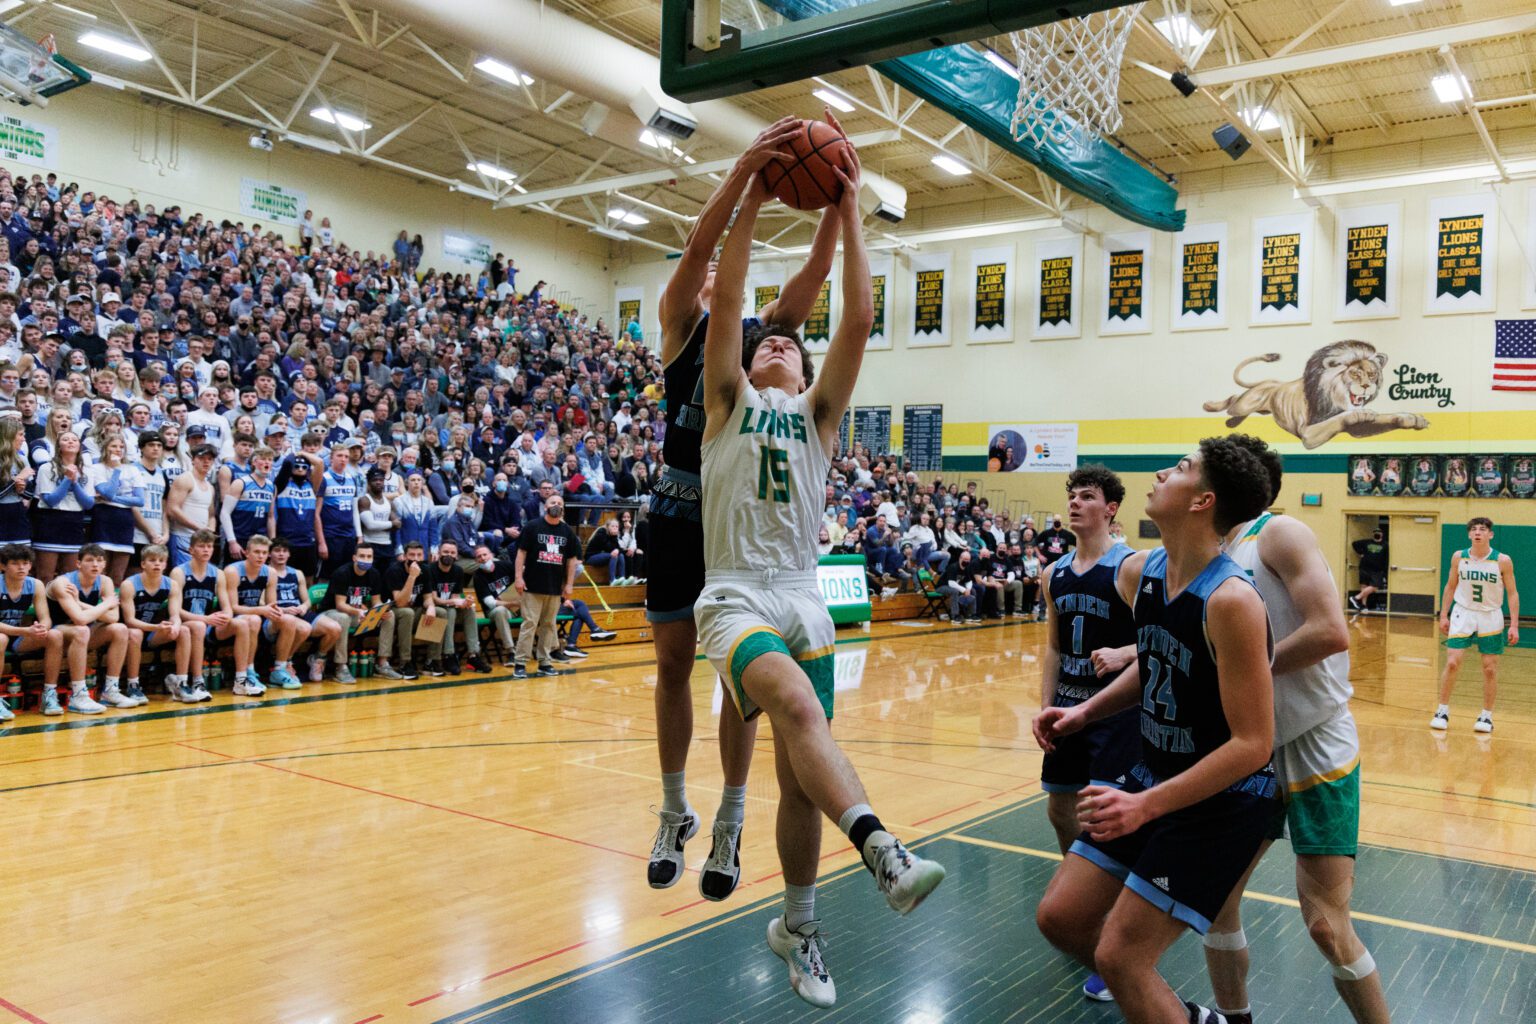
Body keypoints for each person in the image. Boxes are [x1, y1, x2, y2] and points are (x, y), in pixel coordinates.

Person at [697, 143, 943, 1009]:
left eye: (785, 347)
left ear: (801, 373)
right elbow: (727, 299)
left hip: (803, 594)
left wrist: (848, 208)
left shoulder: (818, 417)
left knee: (801, 780)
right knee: (799, 711)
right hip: (732, 593)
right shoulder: (726, 406)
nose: (772, 344)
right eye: (763, 341)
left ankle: (799, 928)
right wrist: (758, 192)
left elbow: (858, 322)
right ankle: (884, 851)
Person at [643, 115, 843, 898]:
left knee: (740, 684)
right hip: (677, 511)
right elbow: (701, 255)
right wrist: (747, 176)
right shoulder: (687, 325)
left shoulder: (772, 346)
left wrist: (836, 195)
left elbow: (817, 279)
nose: (704, 274)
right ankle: (672, 810)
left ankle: (728, 819)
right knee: (670, 666)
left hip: (744, 528)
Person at [1033, 437, 1277, 1024]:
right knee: (1061, 918)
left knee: (1121, 958)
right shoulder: (1144, 571)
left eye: (1183, 469)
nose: (1164, 471)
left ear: (1203, 501)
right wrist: (1083, 713)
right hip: (1152, 773)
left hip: (1222, 802)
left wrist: (1144, 806)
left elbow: (1254, 745)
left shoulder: (1231, 601)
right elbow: (1156, 663)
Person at [1202, 434, 1390, 1024]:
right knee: (1216, 904)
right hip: (1248, 746)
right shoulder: (1210, 556)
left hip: (1316, 742)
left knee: (1326, 926)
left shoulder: (1277, 534)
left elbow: (1331, 631)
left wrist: (1245, 668)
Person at [1031, 466, 1140, 1003]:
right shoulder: (1053, 573)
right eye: (1072, 495)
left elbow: (1170, 631)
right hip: (1068, 710)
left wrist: (1128, 652)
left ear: (1111, 508)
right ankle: (1086, 895)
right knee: (1059, 812)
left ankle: (1112, 921)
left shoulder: (1132, 566)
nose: (1076, 503)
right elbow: (1053, 647)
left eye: (1088, 496)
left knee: (1101, 819)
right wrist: (1046, 705)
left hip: (1115, 717)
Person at [1432, 517, 1519, 733]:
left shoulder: (1502, 560)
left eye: (1483, 529)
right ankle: (1442, 710)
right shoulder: (1458, 557)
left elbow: (1512, 593)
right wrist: (1444, 615)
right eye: (1474, 529)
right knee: (1452, 662)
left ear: (1491, 534)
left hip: (1490, 615)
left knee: (1489, 668)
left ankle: (1486, 716)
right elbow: (1450, 586)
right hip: (1463, 612)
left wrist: (1514, 624)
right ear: (1469, 535)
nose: (1478, 532)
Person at [47, 543, 135, 713]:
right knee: (82, 629)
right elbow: (79, 619)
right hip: (57, 633)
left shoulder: (105, 581)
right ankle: (78, 695)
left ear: (104, 564)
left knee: (120, 629)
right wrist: (106, 604)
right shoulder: (63, 582)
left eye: (99, 560)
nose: (95, 564)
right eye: (89, 560)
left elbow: (113, 617)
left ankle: (111, 691)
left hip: (84, 634)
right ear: (78, 563)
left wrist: (79, 602)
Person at [173, 529, 255, 698]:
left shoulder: (218, 574)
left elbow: (227, 608)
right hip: (185, 624)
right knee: (198, 626)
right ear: (191, 550)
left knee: (242, 623)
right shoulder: (179, 572)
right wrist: (204, 619)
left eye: (209, 546)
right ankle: (197, 681)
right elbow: (175, 611)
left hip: (208, 623)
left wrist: (225, 616)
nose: (206, 550)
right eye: (201, 546)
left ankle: (241, 680)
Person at [120, 544, 198, 704]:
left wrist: (175, 625)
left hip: (153, 634)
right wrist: (156, 627)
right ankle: (133, 685)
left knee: (183, 630)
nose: (157, 564)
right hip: (129, 633)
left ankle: (181, 683)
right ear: (143, 564)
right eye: (152, 560)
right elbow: (129, 621)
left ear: (166, 564)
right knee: (135, 632)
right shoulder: (129, 584)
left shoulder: (172, 585)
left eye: (161, 560)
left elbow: (175, 615)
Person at [512, 493, 579, 679]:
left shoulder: (567, 532)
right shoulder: (533, 526)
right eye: (552, 502)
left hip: (554, 587)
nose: (556, 505)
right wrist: (518, 577)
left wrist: (569, 585)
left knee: (549, 625)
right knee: (530, 624)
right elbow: (521, 553)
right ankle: (520, 662)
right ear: (545, 506)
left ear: (563, 508)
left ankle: (544, 661)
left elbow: (572, 560)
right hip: (532, 586)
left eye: (559, 503)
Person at [0, 543, 65, 719]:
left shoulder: (35, 585)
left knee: (55, 635)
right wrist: (25, 631)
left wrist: (42, 628)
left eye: (26, 563)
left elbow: (46, 617)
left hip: (20, 635)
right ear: (3, 566)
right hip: (8, 634)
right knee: (1, 638)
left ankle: (49, 695)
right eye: (15, 563)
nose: (22, 567)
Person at [266, 538, 339, 686]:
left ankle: (317, 659)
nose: (281, 554)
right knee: (303, 628)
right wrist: (285, 609)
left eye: (284, 551)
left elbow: (307, 600)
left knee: (335, 628)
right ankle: (286, 663)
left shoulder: (297, 573)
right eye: (277, 551)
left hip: (298, 611)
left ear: (289, 554)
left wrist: (304, 607)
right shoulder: (265, 572)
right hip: (280, 613)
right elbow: (264, 603)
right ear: (269, 554)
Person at [320, 539, 390, 685]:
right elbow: (340, 605)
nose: (366, 559)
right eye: (362, 556)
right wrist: (359, 612)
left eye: (369, 557)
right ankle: (341, 666)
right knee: (343, 617)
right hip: (331, 614)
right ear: (354, 558)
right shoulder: (342, 573)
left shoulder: (374, 574)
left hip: (357, 614)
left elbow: (376, 601)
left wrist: (380, 610)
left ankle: (383, 663)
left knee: (390, 616)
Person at [422, 539, 489, 676]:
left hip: (447, 608)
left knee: (469, 609)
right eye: (446, 552)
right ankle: (448, 655)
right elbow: (433, 599)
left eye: (452, 553)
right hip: (431, 610)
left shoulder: (458, 570)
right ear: (439, 553)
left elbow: (455, 597)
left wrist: (464, 602)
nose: (449, 555)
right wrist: (455, 602)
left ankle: (473, 655)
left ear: (457, 555)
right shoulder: (430, 569)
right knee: (450, 611)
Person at [376, 540, 428, 679]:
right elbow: (400, 603)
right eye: (412, 555)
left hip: (414, 609)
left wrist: (431, 608)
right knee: (407, 612)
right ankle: (405, 662)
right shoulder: (395, 570)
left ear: (423, 556)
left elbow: (428, 597)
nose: (416, 559)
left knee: (440, 612)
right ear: (405, 557)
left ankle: (432, 661)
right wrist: (412, 577)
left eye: (419, 555)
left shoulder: (426, 570)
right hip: (393, 611)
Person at [221, 445, 277, 561]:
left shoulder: (272, 486)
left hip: (260, 540)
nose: (267, 462)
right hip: (240, 539)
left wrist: (273, 542)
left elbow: (271, 517)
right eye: (263, 459)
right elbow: (224, 513)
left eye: (270, 460)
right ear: (254, 462)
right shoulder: (240, 483)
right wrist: (232, 541)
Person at [165, 443, 217, 568]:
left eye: (209, 459)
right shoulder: (184, 479)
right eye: (202, 458)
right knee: (183, 575)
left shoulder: (210, 487)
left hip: (201, 540)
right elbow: (172, 509)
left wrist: (210, 530)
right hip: (182, 537)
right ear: (193, 460)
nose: (206, 462)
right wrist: (198, 528)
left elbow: (211, 515)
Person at [471, 542, 521, 668]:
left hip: (517, 606)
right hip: (494, 612)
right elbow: (490, 603)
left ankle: (550, 649)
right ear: (476, 560)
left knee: (536, 607)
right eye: (479, 556)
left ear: (491, 555)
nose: (482, 558)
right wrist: (510, 603)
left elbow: (521, 581)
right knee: (499, 610)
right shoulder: (478, 576)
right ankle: (511, 651)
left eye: (485, 554)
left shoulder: (505, 566)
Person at [274, 453, 322, 579]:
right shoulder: (282, 484)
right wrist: (294, 454)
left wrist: (301, 453)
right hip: (287, 541)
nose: (300, 469)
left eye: (304, 467)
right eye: (297, 466)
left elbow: (319, 463)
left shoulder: (312, 486)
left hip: (307, 541)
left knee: (308, 579)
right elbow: (287, 463)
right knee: (284, 578)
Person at [1349, 529, 1386, 613]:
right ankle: (1362, 605)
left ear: (1382, 534)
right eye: (1375, 533)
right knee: (1364, 586)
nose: (1377, 534)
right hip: (1364, 567)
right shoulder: (1367, 542)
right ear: (1373, 534)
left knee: (1375, 586)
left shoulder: (1385, 545)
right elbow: (1354, 544)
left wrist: (1384, 570)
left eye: (1378, 533)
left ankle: (1356, 598)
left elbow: (1386, 558)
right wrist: (1361, 553)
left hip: (1377, 569)